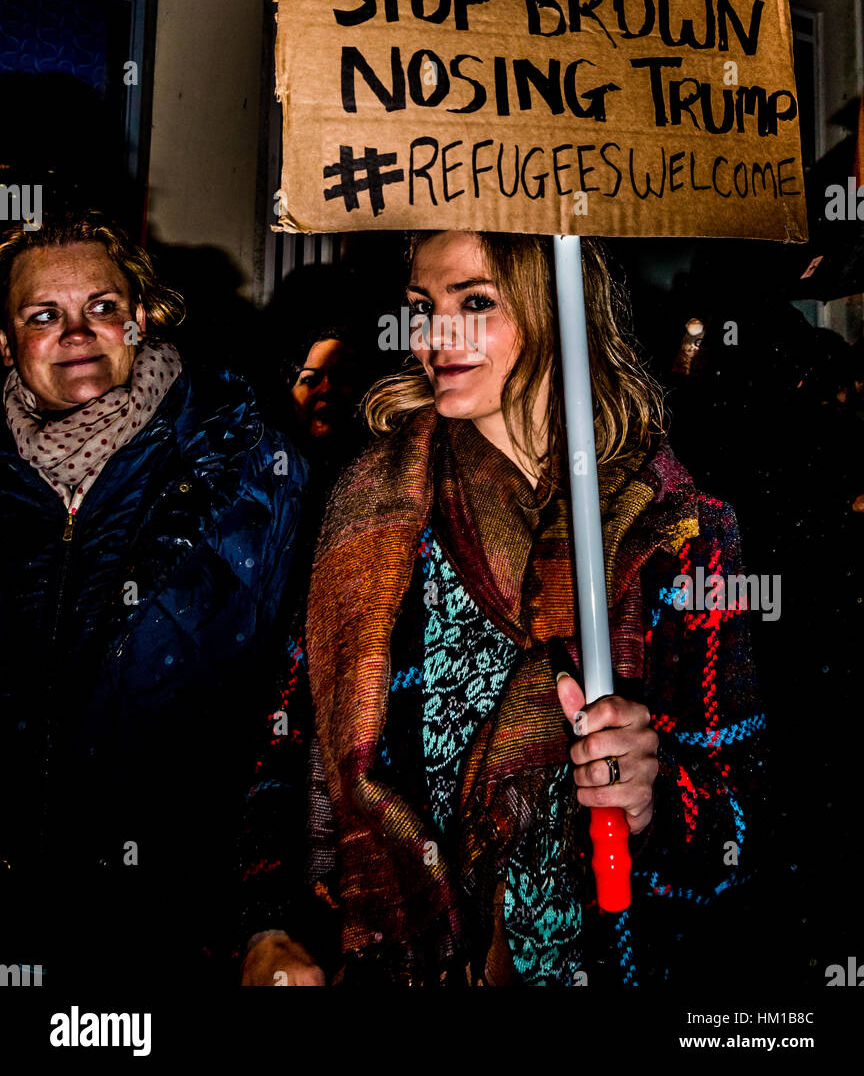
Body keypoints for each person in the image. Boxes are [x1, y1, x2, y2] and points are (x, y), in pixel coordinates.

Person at [242, 229, 767, 988]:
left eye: (476, 302)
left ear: (557, 311)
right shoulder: (371, 512)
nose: (435, 336)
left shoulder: (681, 532)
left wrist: (654, 796)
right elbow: (284, 752)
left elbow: (738, 839)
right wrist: (265, 922)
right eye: (423, 306)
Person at [0, 210, 307, 985]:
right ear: (5, 344)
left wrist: (267, 918)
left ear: (140, 320)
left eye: (102, 308)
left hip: (172, 934)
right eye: (44, 315)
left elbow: (293, 704)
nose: (77, 332)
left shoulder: (246, 468)